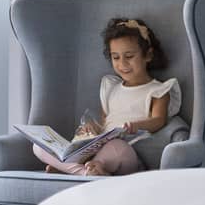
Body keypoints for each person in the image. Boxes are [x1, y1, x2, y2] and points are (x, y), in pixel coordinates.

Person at [33, 17, 181, 177]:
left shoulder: (158, 90)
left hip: (126, 153)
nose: (122, 63)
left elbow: (159, 120)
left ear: (148, 55)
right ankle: (88, 172)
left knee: (117, 147)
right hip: (98, 151)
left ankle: (71, 169)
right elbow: (104, 124)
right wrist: (92, 130)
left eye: (129, 56)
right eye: (116, 57)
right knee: (38, 146)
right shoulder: (111, 88)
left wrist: (137, 126)